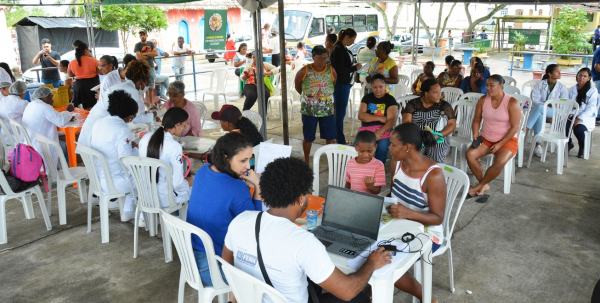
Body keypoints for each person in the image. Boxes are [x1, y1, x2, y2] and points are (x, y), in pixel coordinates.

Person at [222, 157, 390, 303]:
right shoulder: (304, 243)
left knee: (312, 278)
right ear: (301, 198)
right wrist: (371, 263)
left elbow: (229, 268)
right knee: (359, 299)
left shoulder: (240, 221)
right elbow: (347, 291)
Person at [187, 132, 262, 286]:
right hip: (213, 267)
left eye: (249, 159)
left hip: (190, 258)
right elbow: (255, 227)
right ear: (226, 158)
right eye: (243, 160)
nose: (248, 166)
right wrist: (257, 186)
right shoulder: (237, 188)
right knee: (271, 276)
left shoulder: (203, 170)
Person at [387, 123, 446, 303]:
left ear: (407, 147)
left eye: (393, 144)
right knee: (365, 251)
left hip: (427, 233)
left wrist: (407, 213)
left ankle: (428, 299)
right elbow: (392, 195)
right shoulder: (397, 163)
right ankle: (375, 287)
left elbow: (437, 218)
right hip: (398, 224)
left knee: (384, 265)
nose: (389, 148)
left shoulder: (433, 175)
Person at [78, 60, 157, 149]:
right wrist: (154, 116)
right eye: (146, 84)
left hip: (96, 128)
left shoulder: (123, 86)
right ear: (141, 81)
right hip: (99, 131)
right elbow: (135, 118)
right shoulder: (131, 90)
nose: (146, 88)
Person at [465, 74, 521, 197]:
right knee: (470, 155)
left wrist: (499, 144)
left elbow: (514, 128)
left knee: (499, 163)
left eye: (492, 85)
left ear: (501, 86)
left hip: (507, 140)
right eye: (487, 85)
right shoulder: (483, 100)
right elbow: (476, 119)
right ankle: (483, 184)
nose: (488, 88)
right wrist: (475, 135)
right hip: (486, 138)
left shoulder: (512, 102)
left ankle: (479, 186)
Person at [90, 90, 139, 217]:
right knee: (147, 175)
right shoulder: (122, 130)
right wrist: (139, 150)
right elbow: (126, 160)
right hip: (114, 183)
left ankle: (128, 209)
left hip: (97, 179)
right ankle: (132, 212)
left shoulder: (99, 123)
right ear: (131, 117)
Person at [139, 107, 193, 218]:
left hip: (145, 195)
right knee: (196, 184)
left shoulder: (146, 138)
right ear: (177, 125)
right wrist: (188, 182)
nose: (185, 129)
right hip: (164, 199)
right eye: (184, 126)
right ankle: (183, 221)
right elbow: (177, 183)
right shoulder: (174, 146)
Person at [295, 45, 337, 164]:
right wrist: (309, 98)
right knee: (308, 138)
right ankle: (307, 161)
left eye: (325, 58)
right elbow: (298, 86)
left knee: (330, 137)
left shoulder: (331, 70)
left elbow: (333, 85)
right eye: (320, 58)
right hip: (309, 111)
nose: (323, 61)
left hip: (327, 110)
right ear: (313, 57)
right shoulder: (305, 70)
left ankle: (332, 162)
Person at [402, 79, 457, 163]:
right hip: (417, 137)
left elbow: (452, 124)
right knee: (413, 159)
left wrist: (438, 135)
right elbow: (406, 122)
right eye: (435, 92)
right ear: (426, 94)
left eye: (440, 92)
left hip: (438, 139)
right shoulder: (413, 104)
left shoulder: (444, 105)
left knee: (436, 160)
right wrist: (417, 136)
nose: (439, 95)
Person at [22, 87, 74, 171]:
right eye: (51, 96)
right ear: (45, 97)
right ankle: (62, 171)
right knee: (66, 146)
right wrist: (68, 111)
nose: (53, 100)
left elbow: (52, 116)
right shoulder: (44, 107)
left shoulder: (32, 104)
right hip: (42, 145)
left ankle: (57, 170)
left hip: (31, 141)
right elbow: (61, 122)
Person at [526, 64, 569, 157]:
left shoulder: (562, 87)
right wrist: (550, 103)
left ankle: (525, 128)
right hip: (540, 110)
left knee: (540, 108)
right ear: (550, 74)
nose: (560, 73)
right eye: (557, 71)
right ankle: (538, 146)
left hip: (554, 112)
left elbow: (564, 104)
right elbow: (535, 100)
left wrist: (556, 116)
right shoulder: (540, 85)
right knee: (540, 113)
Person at [357, 74, 398, 164]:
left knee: (382, 148)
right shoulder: (367, 98)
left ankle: (378, 170)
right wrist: (380, 118)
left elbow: (391, 121)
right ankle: (360, 169)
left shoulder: (390, 100)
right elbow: (361, 116)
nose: (378, 90)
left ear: (385, 86)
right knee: (358, 147)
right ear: (371, 86)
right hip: (366, 128)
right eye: (375, 87)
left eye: (381, 87)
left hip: (384, 129)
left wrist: (379, 132)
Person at [331, 28, 362, 145]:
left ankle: (338, 138)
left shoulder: (343, 48)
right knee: (339, 114)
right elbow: (339, 69)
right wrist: (355, 68)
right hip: (341, 84)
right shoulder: (338, 49)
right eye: (353, 39)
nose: (353, 42)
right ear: (347, 37)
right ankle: (339, 139)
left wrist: (354, 66)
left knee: (339, 114)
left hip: (344, 84)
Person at [566, 68, 598, 158]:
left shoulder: (592, 91)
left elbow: (591, 108)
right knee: (564, 126)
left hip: (586, 117)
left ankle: (582, 147)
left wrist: (579, 118)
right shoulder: (572, 89)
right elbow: (569, 104)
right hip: (573, 114)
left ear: (589, 78)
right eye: (580, 75)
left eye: (585, 76)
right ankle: (569, 143)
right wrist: (570, 113)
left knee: (578, 129)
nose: (581, 78)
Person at [345, 130, 386, 195]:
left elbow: (377, 191)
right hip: (353, 199)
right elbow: (348, 183)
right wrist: (345, 195)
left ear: (375, 147)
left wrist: (370, 186)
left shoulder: (378, 165)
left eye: (369, 151)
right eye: (361, 151)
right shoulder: (350, 163)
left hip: (369, 201)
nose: (365, 155)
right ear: (356, 147)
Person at [68, 42, 100, 109]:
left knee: (81, 106)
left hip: (79, 86)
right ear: (85, 50)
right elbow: (100, 71)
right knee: (94, 105)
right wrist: (90, 56)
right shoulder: (93, 61)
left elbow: (70, 74)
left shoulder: (72, 62)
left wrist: (78, 73)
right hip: (93, 85)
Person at [134, 29, 158, 102]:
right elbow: (139, 57)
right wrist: (150, 54)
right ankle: (142, 103)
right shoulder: (137, 45)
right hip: (142, 68)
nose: (142, 36)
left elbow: (156, 53)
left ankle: (151, 103)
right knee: (142, 85)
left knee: (151, 86)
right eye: (141, 35)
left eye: (143, 34)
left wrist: (145, 54)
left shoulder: (150, 44)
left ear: (146, 35)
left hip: (151, 67)